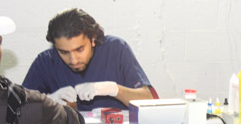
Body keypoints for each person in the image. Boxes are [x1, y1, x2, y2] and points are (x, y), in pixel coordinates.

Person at [22, 8, 153, 111]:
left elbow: (149, 102)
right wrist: (47, 101)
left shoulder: (115, 49)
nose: (73, 60)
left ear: (93, 39)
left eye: (79, 49)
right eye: (64, 52)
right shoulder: (46, 62)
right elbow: (20, 111)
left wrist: (113, 89)